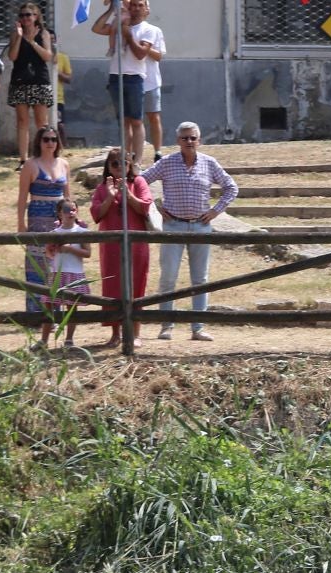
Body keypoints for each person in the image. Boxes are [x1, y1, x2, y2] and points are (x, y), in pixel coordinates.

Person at [143, 123, 239, 342]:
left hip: (200, 226)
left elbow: (231, 187)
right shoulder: (166, 162)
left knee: (200, 279)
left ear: (199, 140)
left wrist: (215, 211)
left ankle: (198, 327)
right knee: (168, 277)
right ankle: (166, 325)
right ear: (178, 140)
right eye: (184, 138)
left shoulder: (209, 163)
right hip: (173, 225)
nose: (189, 142)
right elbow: (141, 181)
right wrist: (155, 205)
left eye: (192, 138)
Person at [89, 145, 151, 349]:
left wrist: (128, 194)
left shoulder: (139, 182)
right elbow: (96, 214)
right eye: (114, 163)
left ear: (130, 164)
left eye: (123, 162)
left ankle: (135, 333)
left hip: (136, 244)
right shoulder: (101, 188)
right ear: (108, 166)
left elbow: (144, 207)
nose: (119, 167)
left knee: (136, 285)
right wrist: (110, 195)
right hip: (111, 247)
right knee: (112, 287)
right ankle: (115, 333)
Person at [92, 0, 159, 161]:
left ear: (145, 9)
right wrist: (110, 10)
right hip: (116, 75)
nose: (135, 8)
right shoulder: (118, 22)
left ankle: (137, 161)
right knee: (123, 121)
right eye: (133, 5)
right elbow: (97, 28)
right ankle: (126, 159)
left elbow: (141, 54)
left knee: (136, 120)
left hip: (134, 77)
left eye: (139, 5)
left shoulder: (148, 30)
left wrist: (128, 35)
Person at [17, 126, 69, 322]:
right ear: (39, 142)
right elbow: (22, 197)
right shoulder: (30, 165)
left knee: (58, 265)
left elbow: (68, 196)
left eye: (54, 139)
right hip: (38, 218)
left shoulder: (64, 164)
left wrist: (72, 220)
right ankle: (36, 313)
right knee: (37, 265)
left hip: (58, 218)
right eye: (46, 139)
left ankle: (57, 312)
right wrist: (20, 223)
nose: (50, 143)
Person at [7, 5, 55, 167]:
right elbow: (12, 56)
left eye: (28, 15)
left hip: (39, 80)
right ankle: (23, 159)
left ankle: (43, 156)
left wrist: (32, 42)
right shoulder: (15, 34)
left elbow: (47, 56)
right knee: (22, 121)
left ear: (36, 16)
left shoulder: (44, 33)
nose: (25, 18)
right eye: (22, 15)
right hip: (20, 81)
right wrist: (20, 38)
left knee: (41, 121)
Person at [39, 197, 89, 349]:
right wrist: (50, 250)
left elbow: (87, 253)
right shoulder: (54, 232)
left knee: (71, 308)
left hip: (74, 273)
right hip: (56, 273)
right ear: (60, 214)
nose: (70, 213)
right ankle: (44, 340)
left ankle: (69, 339)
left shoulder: (82, 232)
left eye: (73, 209)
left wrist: (69, 249)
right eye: (67, 210)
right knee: (49, 306)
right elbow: (48, 254)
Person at [136, 1, 166, 159]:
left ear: (147, 10)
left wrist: (146, 49)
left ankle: (157, 151)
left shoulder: (154, 30)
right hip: (133, 79)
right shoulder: (128, 29)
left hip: (151, 81)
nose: (139, 9)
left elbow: (159, 56)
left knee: (154, 116)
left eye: (142, 6)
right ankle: (135, 152)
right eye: (135, 5)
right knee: (135, 119)